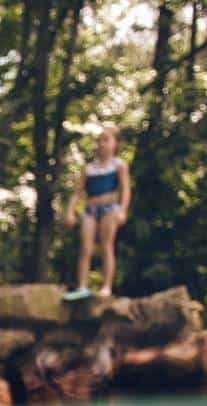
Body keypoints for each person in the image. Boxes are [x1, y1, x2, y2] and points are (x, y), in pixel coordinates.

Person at [63, 124, 131, 301]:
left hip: (110, 209)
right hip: (90, 209)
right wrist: (70, 212)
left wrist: (122, 210)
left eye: (106, 140)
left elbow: (125, 190)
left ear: (115, 143)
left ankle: (106, 287)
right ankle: (82, 286)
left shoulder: (119, 165)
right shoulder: (89, 168)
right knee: (85, 248)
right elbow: (78, 192)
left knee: (106, 246)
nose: (101, 144)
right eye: (99, 140)